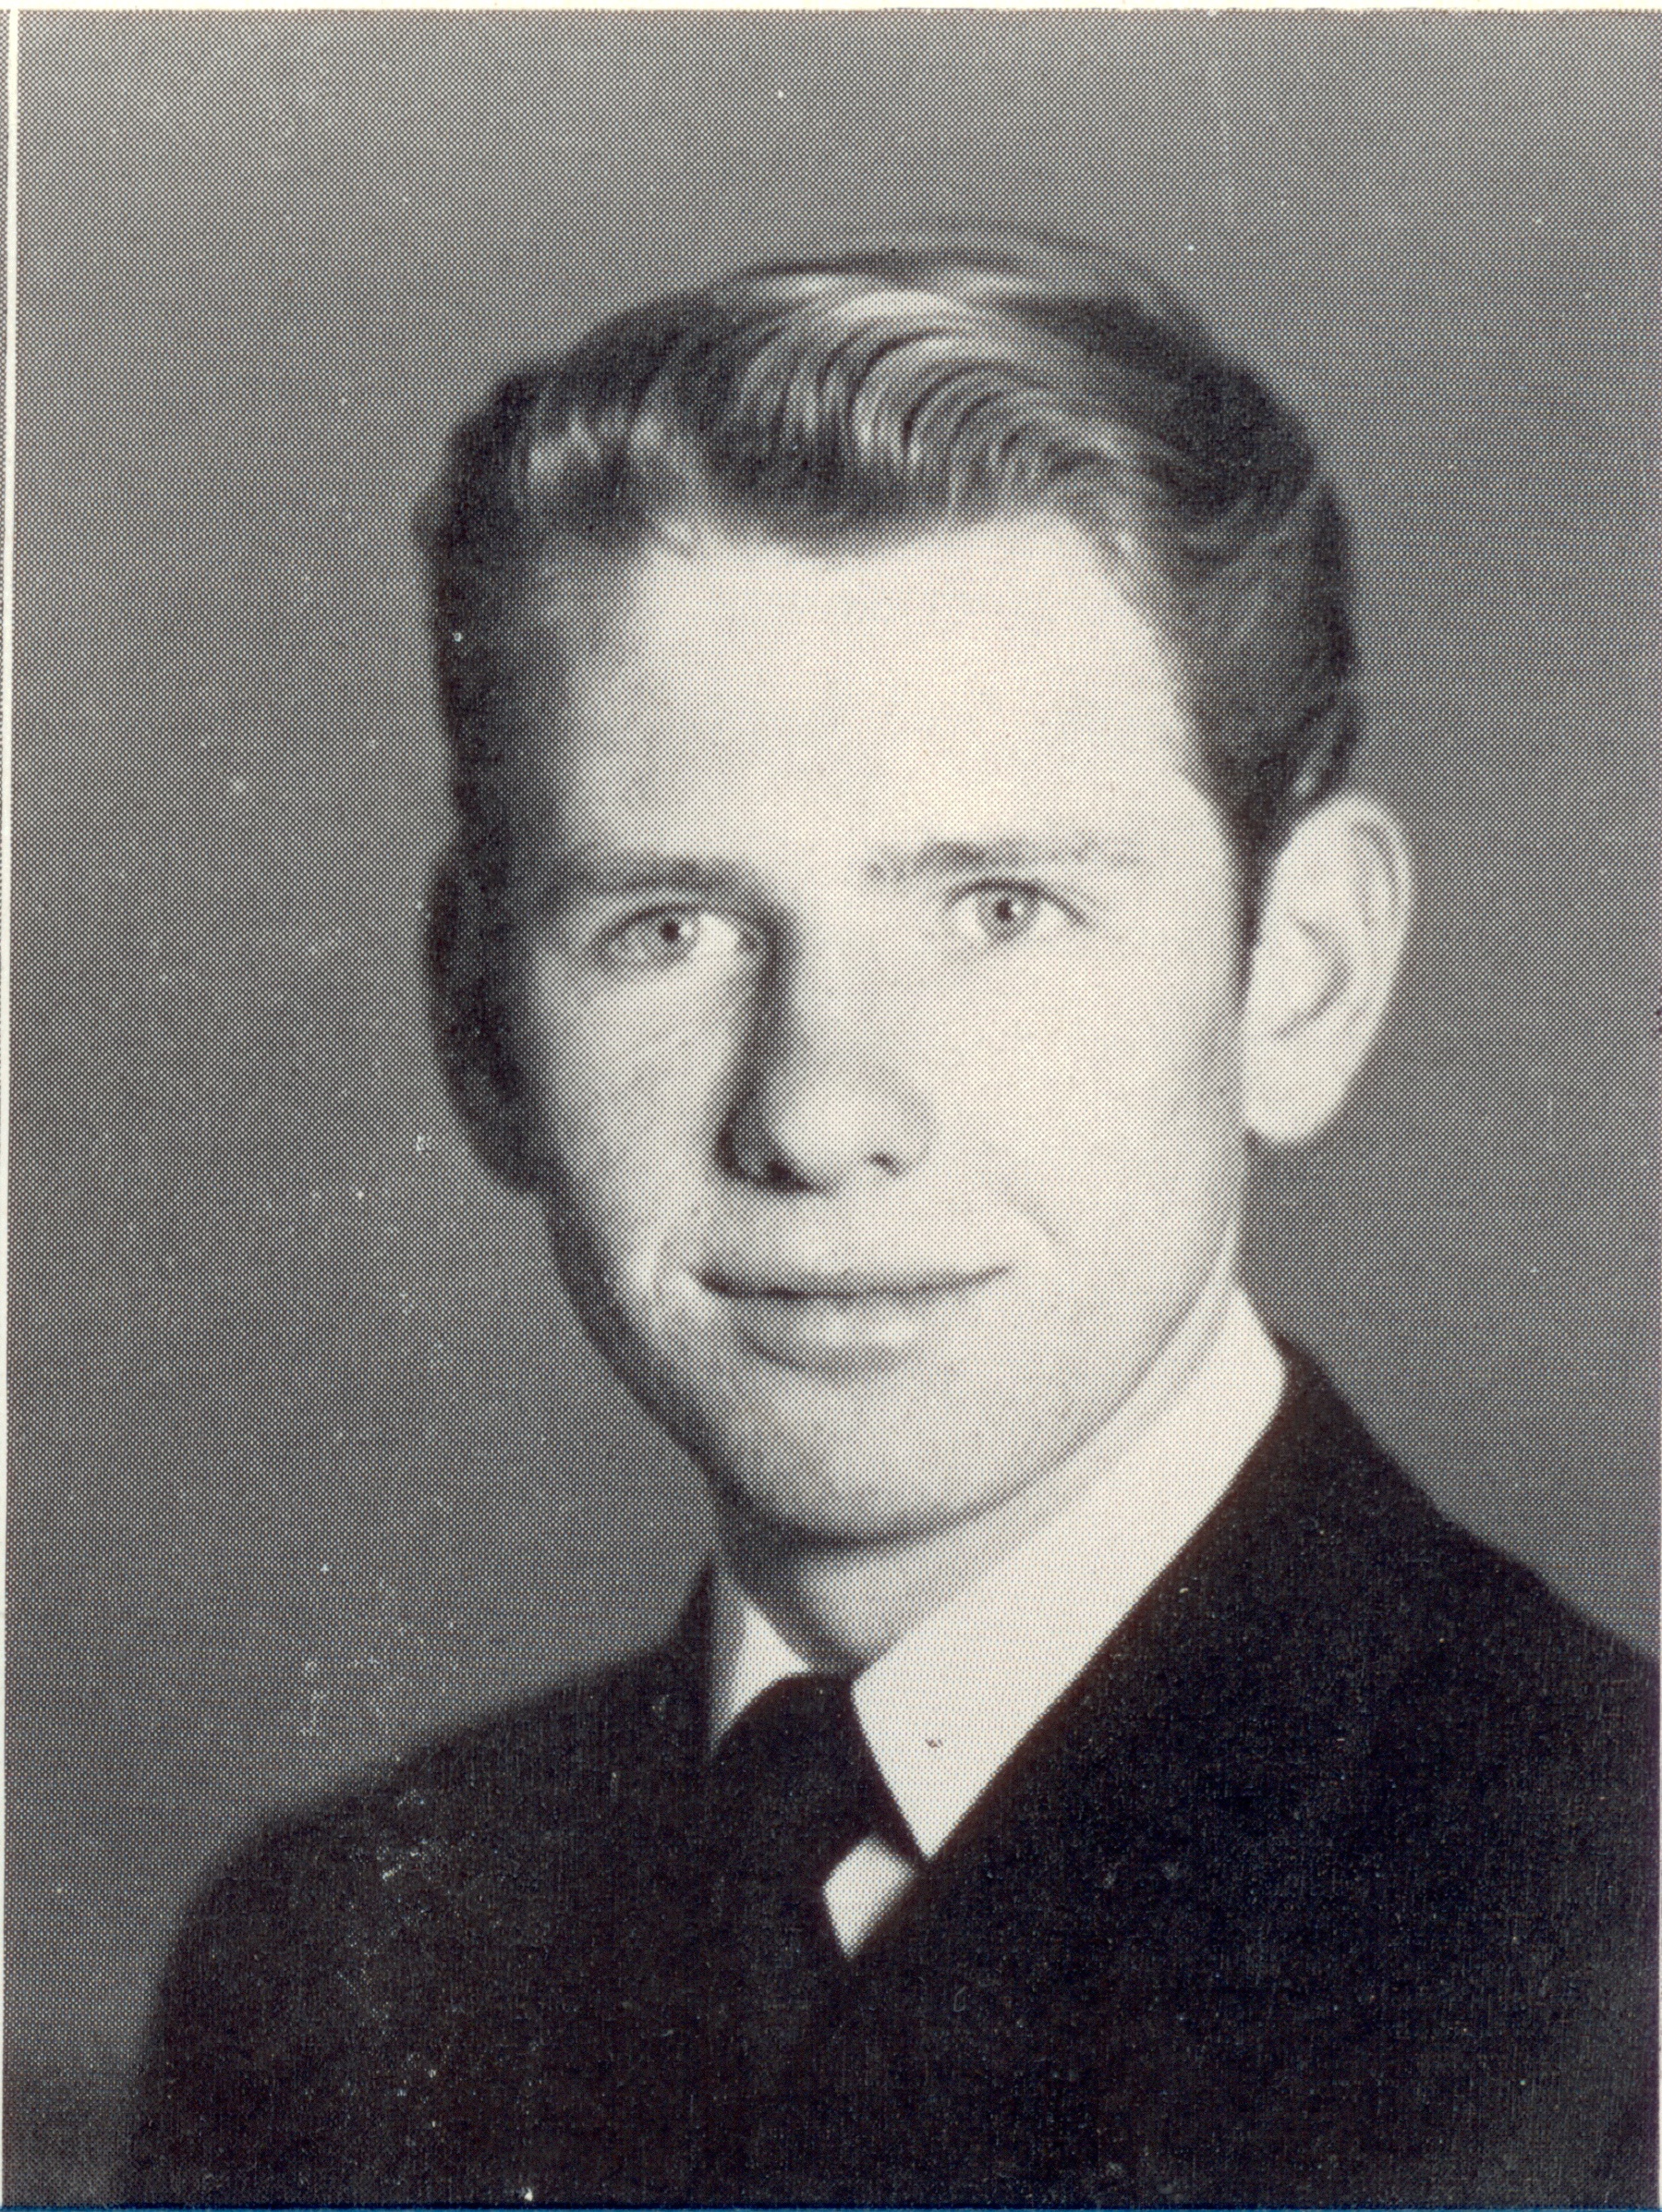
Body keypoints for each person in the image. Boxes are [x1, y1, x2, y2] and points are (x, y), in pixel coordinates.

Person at [120, 238, 1655, 2208]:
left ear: (1302, 977)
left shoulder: (1611, 1932)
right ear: (477, 1020)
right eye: (671, 927)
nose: (817, 1110)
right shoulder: (330, 1973)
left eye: (1000, 909)